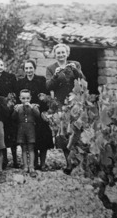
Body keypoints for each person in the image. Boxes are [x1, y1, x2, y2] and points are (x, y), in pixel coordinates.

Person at [45, 43, 85, 175]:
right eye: (58, 53)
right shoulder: (51, 68)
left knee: (76, 132)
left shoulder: (75, 64)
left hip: (75, 102)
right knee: (63, 133)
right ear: (55, 54)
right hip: (60, 103)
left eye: (63, 52)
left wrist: (76, 70)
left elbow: (83, 81)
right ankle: (69, 163)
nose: (61, 55)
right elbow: (49, 86)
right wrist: (56, 76)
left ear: (67, 53)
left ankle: (79, 162)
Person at [17, 59, 54, 171]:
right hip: (28, 114)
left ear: (34, 68)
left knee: (43, 137)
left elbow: (47, 96)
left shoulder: (41, 80)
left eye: (30, 68)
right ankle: (33, 163)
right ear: (24, 70)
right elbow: (19, 99)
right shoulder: (21, 82)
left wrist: (44, 109)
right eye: (26, 68)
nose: (29, 70)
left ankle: (42, 164)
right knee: (31, 139)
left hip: (40, 112)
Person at [0, 58, 19, 169]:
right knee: (2, 135)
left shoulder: (10, 77)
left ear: (4, 66)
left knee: (12, 134)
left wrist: (13, 104)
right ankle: (4, 160)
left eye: (1, 65)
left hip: (10, 110)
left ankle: (15, 160)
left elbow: (16, 92)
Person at [12, 89, 40, 178]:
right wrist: (15, 111)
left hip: (31, 129)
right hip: (21, 129)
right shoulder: (18, 107)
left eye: (27, 98)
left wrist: (32, 107)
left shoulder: (33, 107)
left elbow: (38, 115)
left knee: (31, 148)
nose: (25, 100)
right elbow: (13, 118)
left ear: (30, 98)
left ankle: (31, 167)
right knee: (23, 148)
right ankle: (25, 166)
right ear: (20, 98)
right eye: (23, 98)